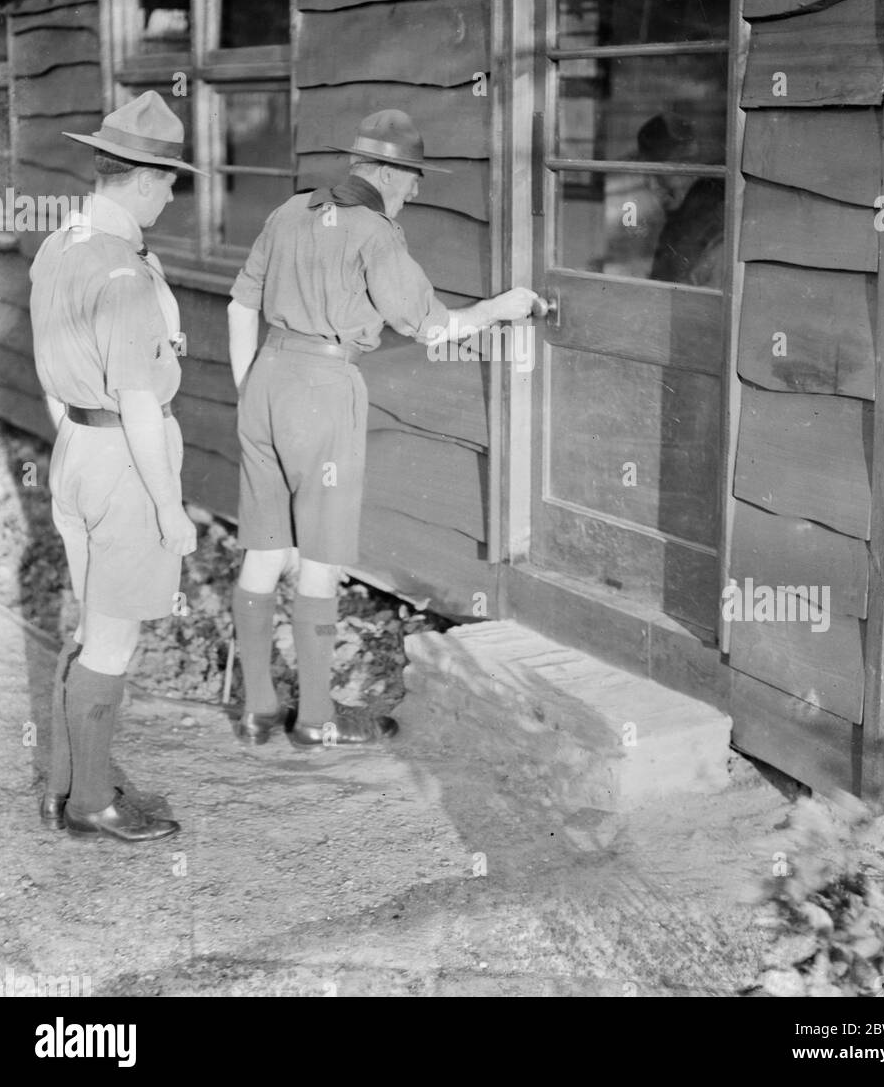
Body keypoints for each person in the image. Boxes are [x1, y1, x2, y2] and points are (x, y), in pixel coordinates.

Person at [227, 109, 536, 748]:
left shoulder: (290, 212)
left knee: (263, 550)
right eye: (414, 176)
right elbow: (431, 327)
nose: (418, 190)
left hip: (264, 378)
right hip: (324, 386)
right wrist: (504, 308)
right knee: (318, 559)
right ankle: (315, 719)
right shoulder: (375, 233)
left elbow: (240, 305)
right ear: (388, 173)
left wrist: (250, 393)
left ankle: (258, 710)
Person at [30, 92, 201, 842]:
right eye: (169, 180)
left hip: (75, 446)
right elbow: (137, 400)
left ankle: (72, 778)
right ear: (140, 178)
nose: (171, 193)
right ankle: (90, 802)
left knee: (93, 618)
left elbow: (51, 365)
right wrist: (170, 510)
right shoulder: (125, 274)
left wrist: (73, 438)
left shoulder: (62, 241)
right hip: (128, 460)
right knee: (113, 637)